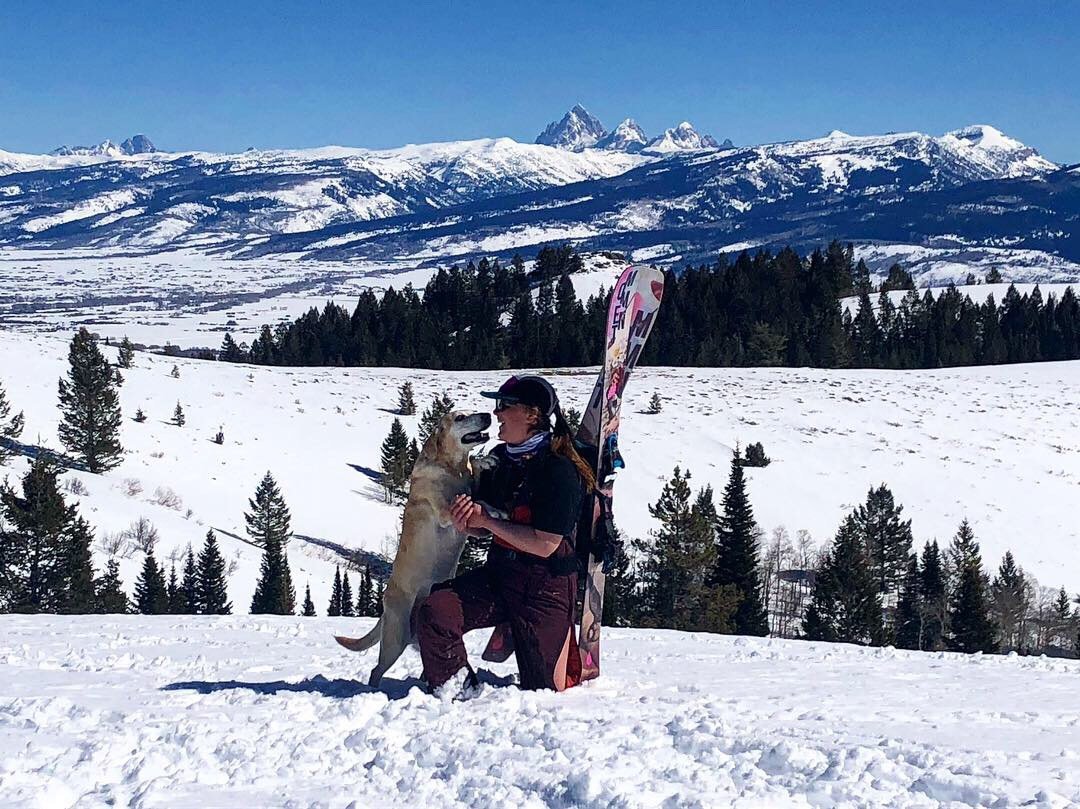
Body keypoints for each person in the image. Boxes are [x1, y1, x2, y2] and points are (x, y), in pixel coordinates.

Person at [414, 375, 595, 692]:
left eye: (504, 406)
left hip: (545, 587)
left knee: (546, 692)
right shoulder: (500, 460)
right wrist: (468, 522)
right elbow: (485, 523)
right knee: (435, 611)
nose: (496, 414)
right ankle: (457, 690)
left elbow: (545, 544)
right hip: (501, 576)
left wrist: (487, 522)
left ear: (531, 415)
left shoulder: (559, 469)